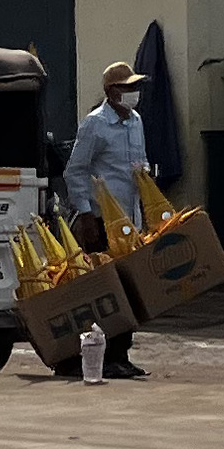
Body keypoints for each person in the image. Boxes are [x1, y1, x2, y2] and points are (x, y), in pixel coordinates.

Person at [58, 60, 153, 380]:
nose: (134, 94)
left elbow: (138, 165)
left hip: (130, 218)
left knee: (129, 287)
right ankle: (100, 353)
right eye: (128, 88)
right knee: (104, 289)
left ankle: (120, 354)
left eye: (135, 88)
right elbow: (75, 171)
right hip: (101, 219)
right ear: (112, 92)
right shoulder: (95, 124)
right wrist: (85, 213)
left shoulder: (136, 121)